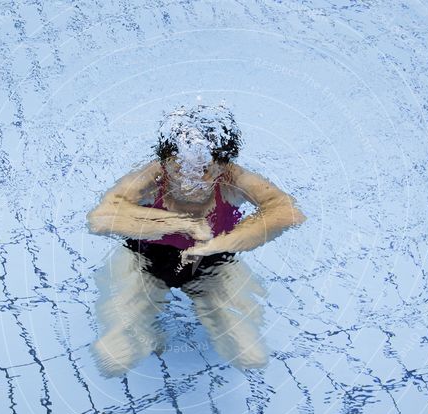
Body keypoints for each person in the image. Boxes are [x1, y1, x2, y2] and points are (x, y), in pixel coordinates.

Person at [86, 104, 306, 376]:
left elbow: (286, 211)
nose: (189, 179)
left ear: (221, 165)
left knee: (249, 354)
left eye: (202, 170)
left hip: (215, 260)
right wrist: (180, 224)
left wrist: (222, 243)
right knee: (115, 355)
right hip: (143, 256)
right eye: (178, 168)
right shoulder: (151, 176)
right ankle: (144, 330)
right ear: (165, 161)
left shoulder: (233, 179)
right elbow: (101, 218)